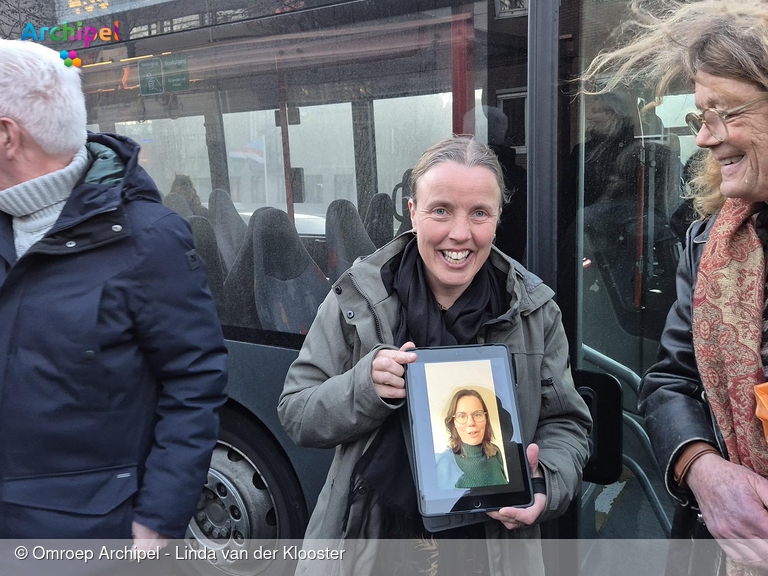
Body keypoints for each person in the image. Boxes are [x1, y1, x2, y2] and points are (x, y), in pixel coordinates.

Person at [278, 136, 591, 574]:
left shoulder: (535, 310)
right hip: (370, 544)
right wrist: (365, 386)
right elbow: (296, 411)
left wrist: (545, 484)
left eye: (479, 213)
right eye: (440, 210)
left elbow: (567, 424)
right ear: (412, 211)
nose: (459, 234)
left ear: (498, 219)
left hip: (493, 550)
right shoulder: (359, 297)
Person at [0, 39, 228, 547]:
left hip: (82, 538)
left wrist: (157, 521)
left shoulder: (149, 239)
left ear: (6, 136)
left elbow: (195, 381)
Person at [581, 1, 768, 573]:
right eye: (700, 115)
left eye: (724, 112)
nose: (706, 139)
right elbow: (670, 381)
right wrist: (703, 469)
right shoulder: (710, 241)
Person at [435, 389, 508, 489]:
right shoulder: (444, 463)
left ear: (486, 419)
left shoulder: (495, 452)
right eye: (461, 416)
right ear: (453, 423)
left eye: (477, 414)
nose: (471, 423)